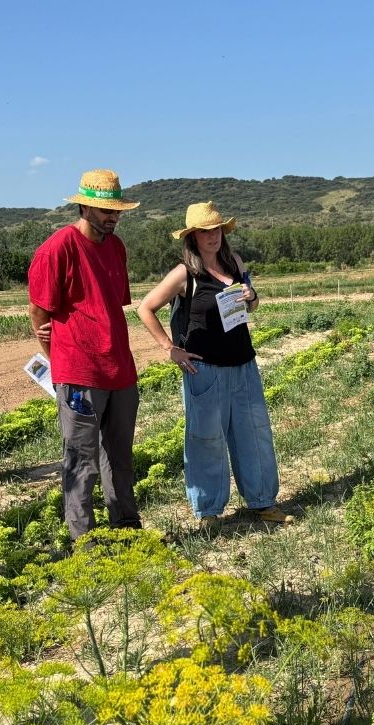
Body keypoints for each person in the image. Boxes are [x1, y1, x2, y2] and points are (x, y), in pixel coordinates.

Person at [136, 201, 286, 536]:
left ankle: (263, 502)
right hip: (204, 371)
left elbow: (252, 305)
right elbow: (145, 308)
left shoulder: (235, 262)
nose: (213, 236)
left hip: (243, 364)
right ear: (192, 237)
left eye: (216, 229)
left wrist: (251, 296)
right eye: (205, 231)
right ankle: (209, 511)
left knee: (254, 434)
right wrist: (170, 348)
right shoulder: (184, 274)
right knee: (207, 440)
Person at [28, 170, 142, 541]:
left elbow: (111, 304)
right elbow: (39, 312)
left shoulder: (116, 247)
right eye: (106, 210)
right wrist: (61, 362)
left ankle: (126, 527)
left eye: (117, 211)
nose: (114, 217)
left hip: (120, 369)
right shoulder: (57, 248)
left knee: (120, 456)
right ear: (84, 207)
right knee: (81, 460)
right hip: (79, 373)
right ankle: (86, 541)